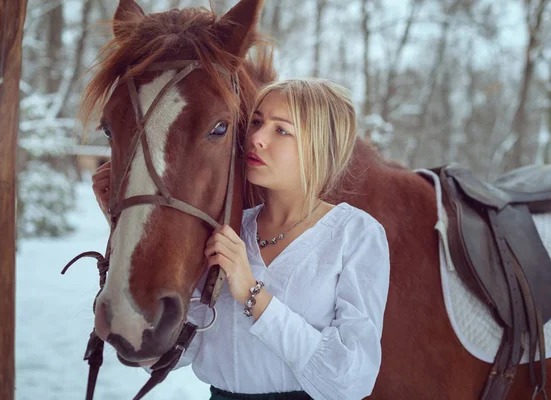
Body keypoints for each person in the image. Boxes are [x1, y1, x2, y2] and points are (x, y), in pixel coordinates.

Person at [92, 78, 390, 400]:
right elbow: (167, 354)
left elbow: (351, 379)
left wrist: (252, 294)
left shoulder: (355, 235)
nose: (256, 139)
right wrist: (119, 221)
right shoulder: (228, 233)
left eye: (281, 130)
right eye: (257, 122)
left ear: (320, 146)